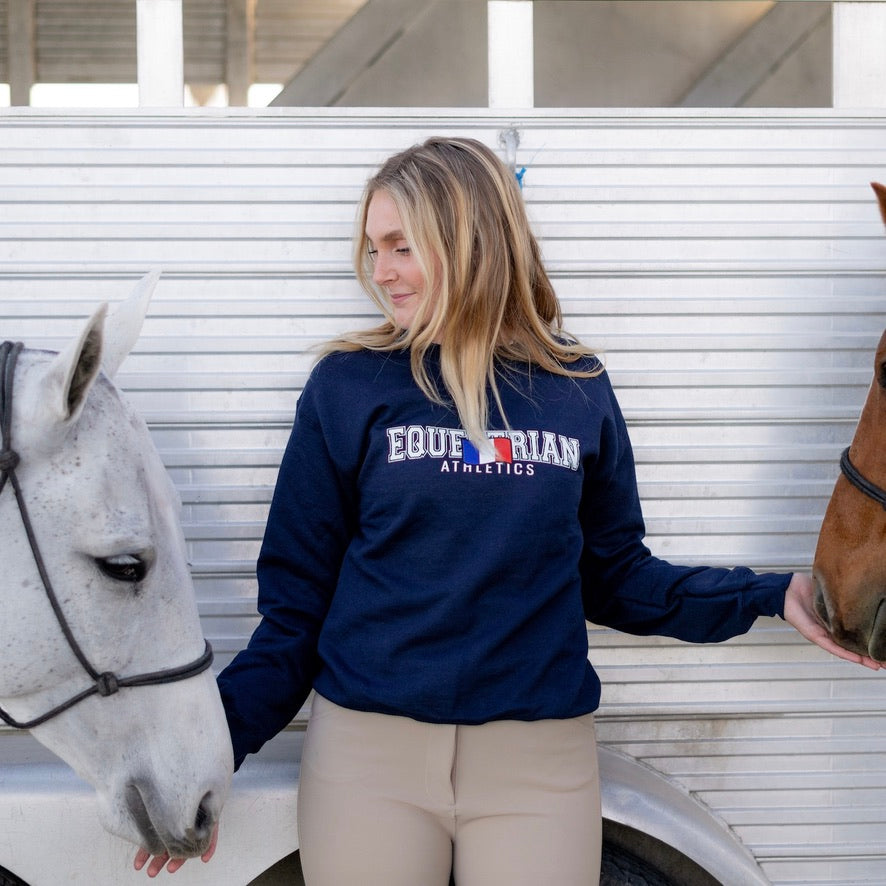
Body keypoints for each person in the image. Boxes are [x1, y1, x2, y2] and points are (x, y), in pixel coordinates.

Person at [134, 136, 881, 883]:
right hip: (368, 761)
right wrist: (209, 756)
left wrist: (765, 594)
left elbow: (615, 576)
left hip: (537, 764)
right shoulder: (347, 387)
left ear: (468, 239)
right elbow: (295, 611)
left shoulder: (576, 387)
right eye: (372, 249)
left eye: (401, 246)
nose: (380, 272)